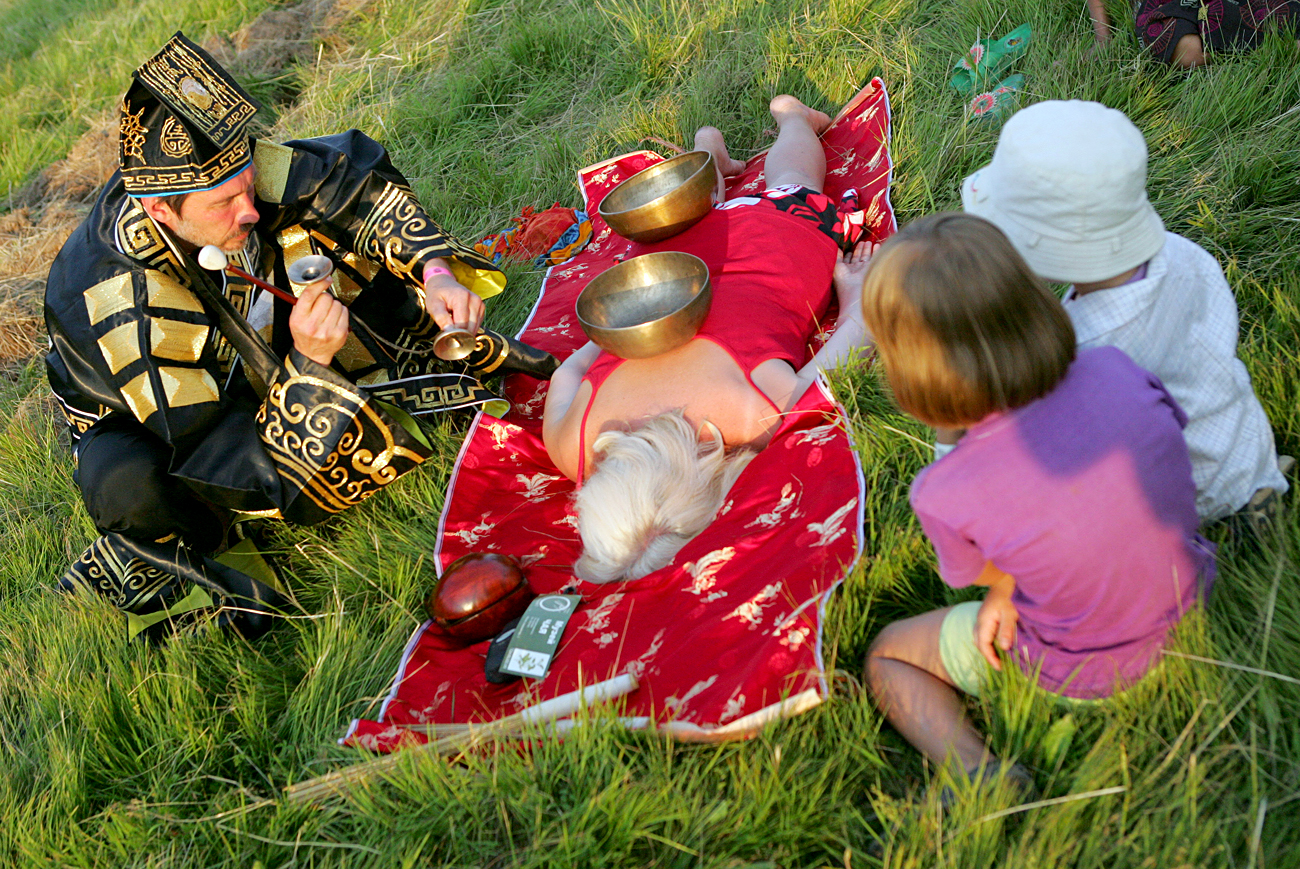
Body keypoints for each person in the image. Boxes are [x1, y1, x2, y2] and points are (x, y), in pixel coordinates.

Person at [44, 33, 511, 639]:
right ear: (162, 211)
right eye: (225, 202)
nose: (250, 209)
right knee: (129, 481)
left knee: (331, 247)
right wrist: (310, 368)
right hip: (162, 419)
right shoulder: (118, 299)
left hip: (249, 352)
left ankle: (372, 380)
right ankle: (218, 565)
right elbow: (205, 439)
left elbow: (345, 185)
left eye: (247, 184)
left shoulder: (222, 181)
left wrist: (436, 270)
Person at [862, 213, 1215, 795]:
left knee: (889, 656)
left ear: (911, 375)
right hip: (1194, 605)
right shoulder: (1116, 368)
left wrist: (1000, 586)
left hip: (1080, 673)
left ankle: (978, 772)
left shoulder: (942, 490)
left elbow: (986, 571)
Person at [542, 96, 874, 583]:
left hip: (775, 239)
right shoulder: (572, 441)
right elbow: (568, 371)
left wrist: (853, 293)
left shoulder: (756, 415)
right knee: (693, 215)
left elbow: (859, 336)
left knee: (794, 184)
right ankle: (708, 158)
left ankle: (793, 120)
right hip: (667, 263)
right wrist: (615, 327)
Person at [959, 99, 1289, 524]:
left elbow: (1074, 447)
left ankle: (1243, 511)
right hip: (1241, 435)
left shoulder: (1087, 349)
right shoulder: (1182, 253)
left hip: (1192, 487)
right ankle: (1256, 484)